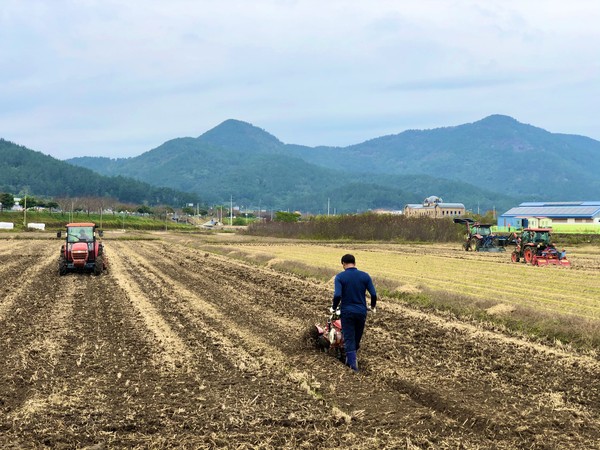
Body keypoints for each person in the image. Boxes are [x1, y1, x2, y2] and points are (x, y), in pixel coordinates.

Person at [331, 254, 377, 372]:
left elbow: (337, 295)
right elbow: (373, 294)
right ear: (354, 263)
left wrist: (334, 307)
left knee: (349, 338)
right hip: (361, 312)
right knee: (357, 338)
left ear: (343, 264)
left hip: (347, 312)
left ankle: (353, 367)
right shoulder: (365, 276)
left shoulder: (340, 277)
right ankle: (350, 359)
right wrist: (372, 306)